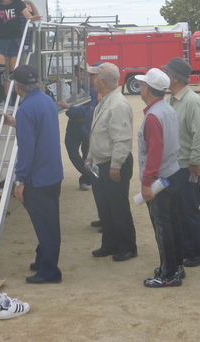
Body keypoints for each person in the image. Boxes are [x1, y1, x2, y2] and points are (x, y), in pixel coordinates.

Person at [2, 64, 64, 284]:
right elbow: (41, 129)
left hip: (37, 176)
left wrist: (20, 180)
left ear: (17, 86)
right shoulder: (47, 100)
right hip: (53, 172)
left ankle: (49, 270)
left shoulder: (26, 108)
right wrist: (17, 123)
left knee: (44, 224)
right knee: (49, 220)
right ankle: (42, 260)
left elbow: (26, 149)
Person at [136, 69, 184, 288]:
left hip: (160, 178)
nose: (140, 88)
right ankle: (175, 266)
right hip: (172, 172)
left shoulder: (154, 115)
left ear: (147, 89)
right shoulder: (166, 109)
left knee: (162, 226)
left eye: (142, 84)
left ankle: (168, 274)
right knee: (172, 223)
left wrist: (146, 183)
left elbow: (154, 151)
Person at [85, 62, 137, 262]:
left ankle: (127, 246)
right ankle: (110, 243)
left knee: (118, 207)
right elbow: (97, 133)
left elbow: (122, 139)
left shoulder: (117, 104)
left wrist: (116, 165)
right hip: (101, 162)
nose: (90, 79)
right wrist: (90, 156)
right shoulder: (105, 100)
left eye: (93, 76)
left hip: (113, 163)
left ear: (102, 80)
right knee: (104, 205)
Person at [162, 57, 200, 267]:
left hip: (187, 166)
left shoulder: (191, 101)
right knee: (180, 210)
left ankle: (199, 252)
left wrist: (195, 162)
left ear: (174, 77)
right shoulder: (172, 99)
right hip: (176, 165)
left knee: (190, 210)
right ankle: (187, 249)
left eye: (167, 73)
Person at [58, 62, 101, 191]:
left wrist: (70, 107)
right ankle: (92, 175)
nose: (78, 73)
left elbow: (88, 109)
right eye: (76, 70)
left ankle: (86, 179)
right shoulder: (69, 86)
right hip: (72, 123)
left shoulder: (92, 89)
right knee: (71, 151)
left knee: (87, 153)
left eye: (81, 70)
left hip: (85, 122)